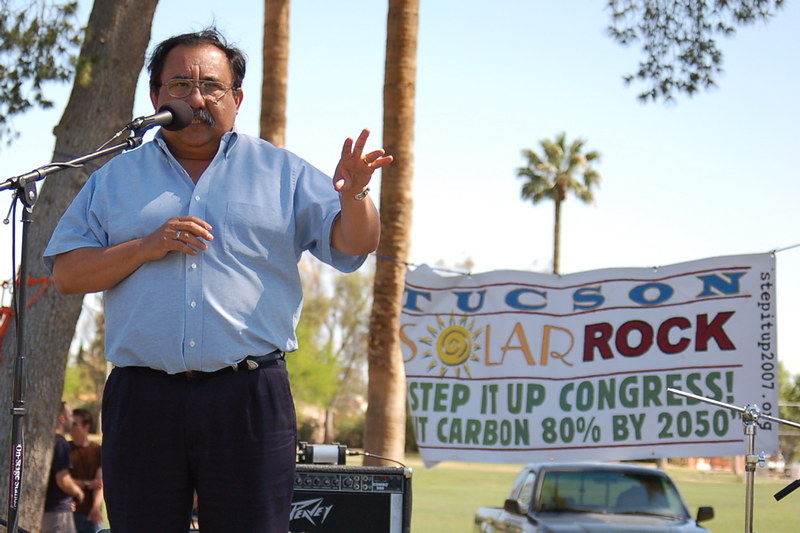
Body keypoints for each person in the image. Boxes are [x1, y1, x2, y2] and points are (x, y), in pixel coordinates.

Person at [44, 28, 391, 533]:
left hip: (248, 396)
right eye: (180, 84)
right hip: (142, 399)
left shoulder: (281, 172)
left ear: (238, 98)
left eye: (212, 85)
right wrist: (145, 246)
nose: (197, 98)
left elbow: (355, 245)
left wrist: (354, 196)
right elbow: (67, 273)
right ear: (156, 97)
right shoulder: (116, 177)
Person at [42, 402, 84, 533]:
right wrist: (78, 492)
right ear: (62, 418)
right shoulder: (61, 443)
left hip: (47, 510)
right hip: (57, 512)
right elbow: (63, 480)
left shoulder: (48, 440)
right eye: (70, 415)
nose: (72, 419)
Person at [69, 409, 104, 533]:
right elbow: (64, 480)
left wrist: (95, 508)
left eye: (75, 424)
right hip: (70, 513)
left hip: (93, 516)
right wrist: (88, 483)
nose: (71, 428)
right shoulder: (66, 449)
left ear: (87, 427)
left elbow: (100, 483)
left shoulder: (97, 450)